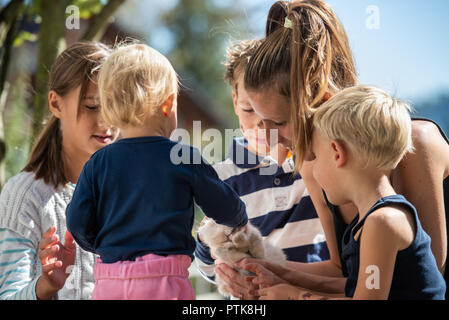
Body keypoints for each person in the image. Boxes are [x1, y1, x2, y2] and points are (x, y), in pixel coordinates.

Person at [230, 0, 449, 299]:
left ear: (322, 98)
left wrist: (295, 295)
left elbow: (422, 278)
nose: (267, 136)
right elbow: (344, 273)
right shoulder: (312, 167)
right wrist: (267, 273)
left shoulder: (414, 145)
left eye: (279, 122)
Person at [65, 43, 248, 300]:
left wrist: (108, 246)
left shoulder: (97, 163)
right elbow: (224, 207)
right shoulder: (183, 156)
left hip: (109, 282)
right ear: (168, 105)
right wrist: (240, 217)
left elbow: (77, 222)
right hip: (164, 282)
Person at [259, 85, 446, 299]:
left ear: (337, 153)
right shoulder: (370, 220)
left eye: (317, 157)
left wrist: (295, 296)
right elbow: (357, 289)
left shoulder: (383, 221)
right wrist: (282, 276)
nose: (313, 170)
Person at [193, 39, 329, 299]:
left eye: (271, 113)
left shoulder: (313, 162)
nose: (260, 123)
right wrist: (206, 243)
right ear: (234, 102)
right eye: (248, 109)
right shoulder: (222, 178)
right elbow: (208, 270)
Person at [0, 42, 119, 300]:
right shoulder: (24, 194)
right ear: (56, 103)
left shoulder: (126, 193)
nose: (107, 121)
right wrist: (45, 286)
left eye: (114, 106)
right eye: (91, 105)